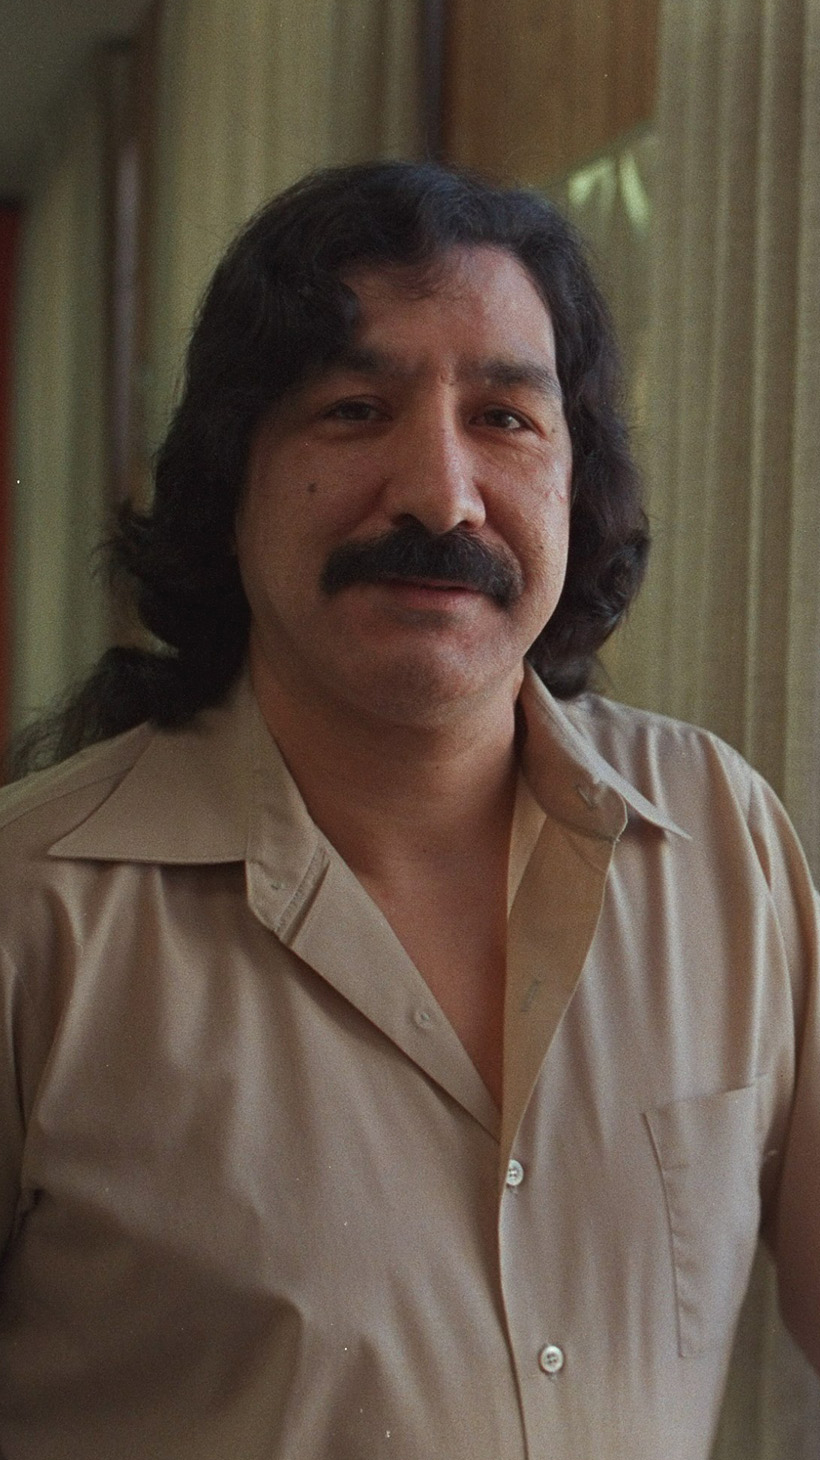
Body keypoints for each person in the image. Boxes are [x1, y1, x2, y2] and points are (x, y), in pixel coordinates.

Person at [0, 161, 817, 1460]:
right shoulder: (34, 910)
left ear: (575, 481)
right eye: (354, 409)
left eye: (506, 418)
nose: (441, 495)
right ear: (231, 479)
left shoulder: (722, 840)